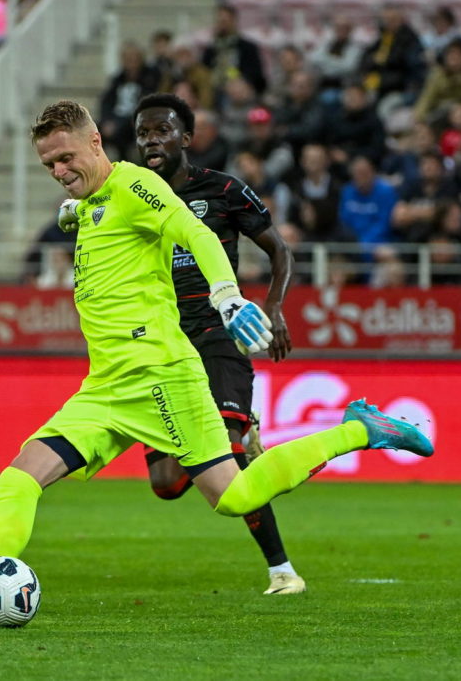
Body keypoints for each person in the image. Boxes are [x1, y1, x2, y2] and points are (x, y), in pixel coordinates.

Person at [0, 100, 433, 625]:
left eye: (66, 158)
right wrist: (78, 209)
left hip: (162, 376)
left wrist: (227, 297)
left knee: (236, 496)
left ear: (96, 142)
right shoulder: (95, 200)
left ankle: (359, 430)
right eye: (49, 164)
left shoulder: (136, 186)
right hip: (105, 387)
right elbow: (98, 209)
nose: (58, 171)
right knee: (18, 479)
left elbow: (194, 231)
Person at [130, 93, 301, 595]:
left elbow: (279, 250)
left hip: (218, 335)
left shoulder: (223, 190)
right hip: (165, 346)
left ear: (186, 138)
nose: (151, 142)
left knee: (226, 455)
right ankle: (241, 432)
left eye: (162, 131)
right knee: (166, 485)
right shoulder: (131, 196)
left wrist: (273, 307)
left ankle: (282, 572)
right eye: (143, 134)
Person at [202, 4, 267, 97]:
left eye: (225, 21)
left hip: (238, 93)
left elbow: (256, 75)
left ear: (234, 21)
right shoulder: (211, 49)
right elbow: (204, 70)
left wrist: (241, 81)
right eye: (219, 21)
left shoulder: (248, 48)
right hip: (214, 92)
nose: (222, 25)